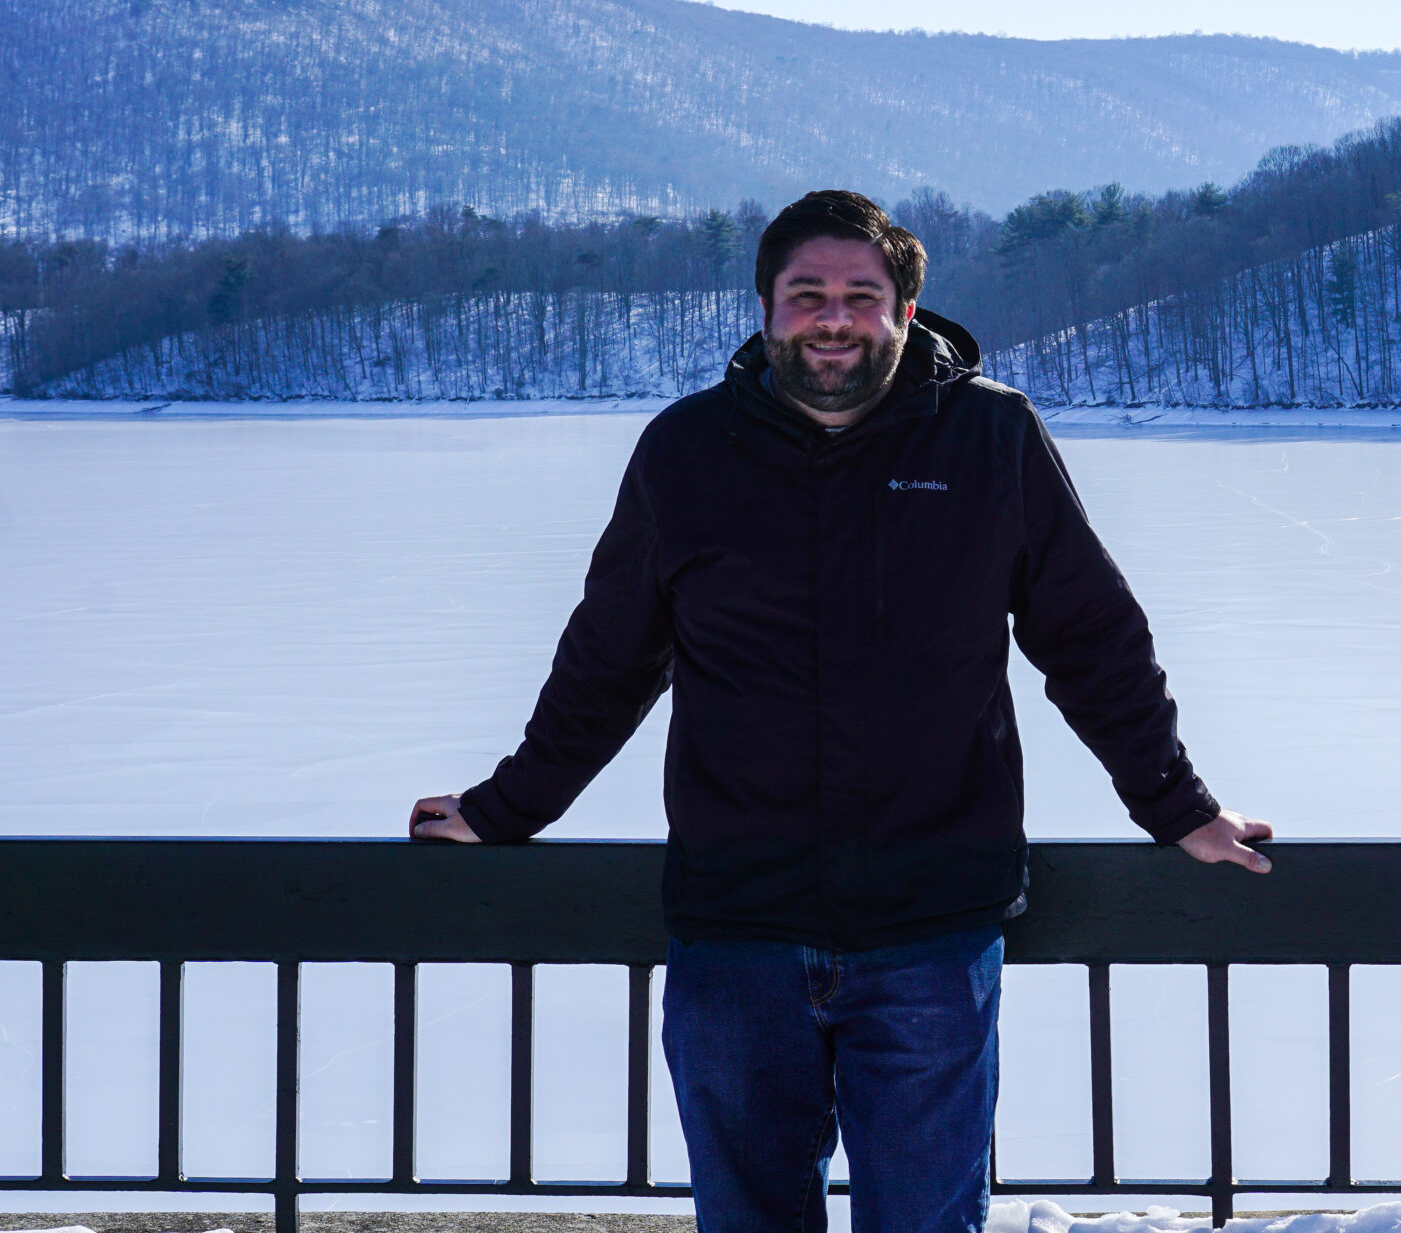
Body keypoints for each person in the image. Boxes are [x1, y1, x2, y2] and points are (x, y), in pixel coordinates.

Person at [409, 189, 1272, 1233]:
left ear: (905, 312)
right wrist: (506, 808)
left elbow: (1090, 638)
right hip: (736, 930)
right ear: (766, 309)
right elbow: (609, 659)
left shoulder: (990, 437)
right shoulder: (687, 451)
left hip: (931, 930)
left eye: (861, 296)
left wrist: (1175, 805)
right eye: (806, 294)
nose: (832, 318)